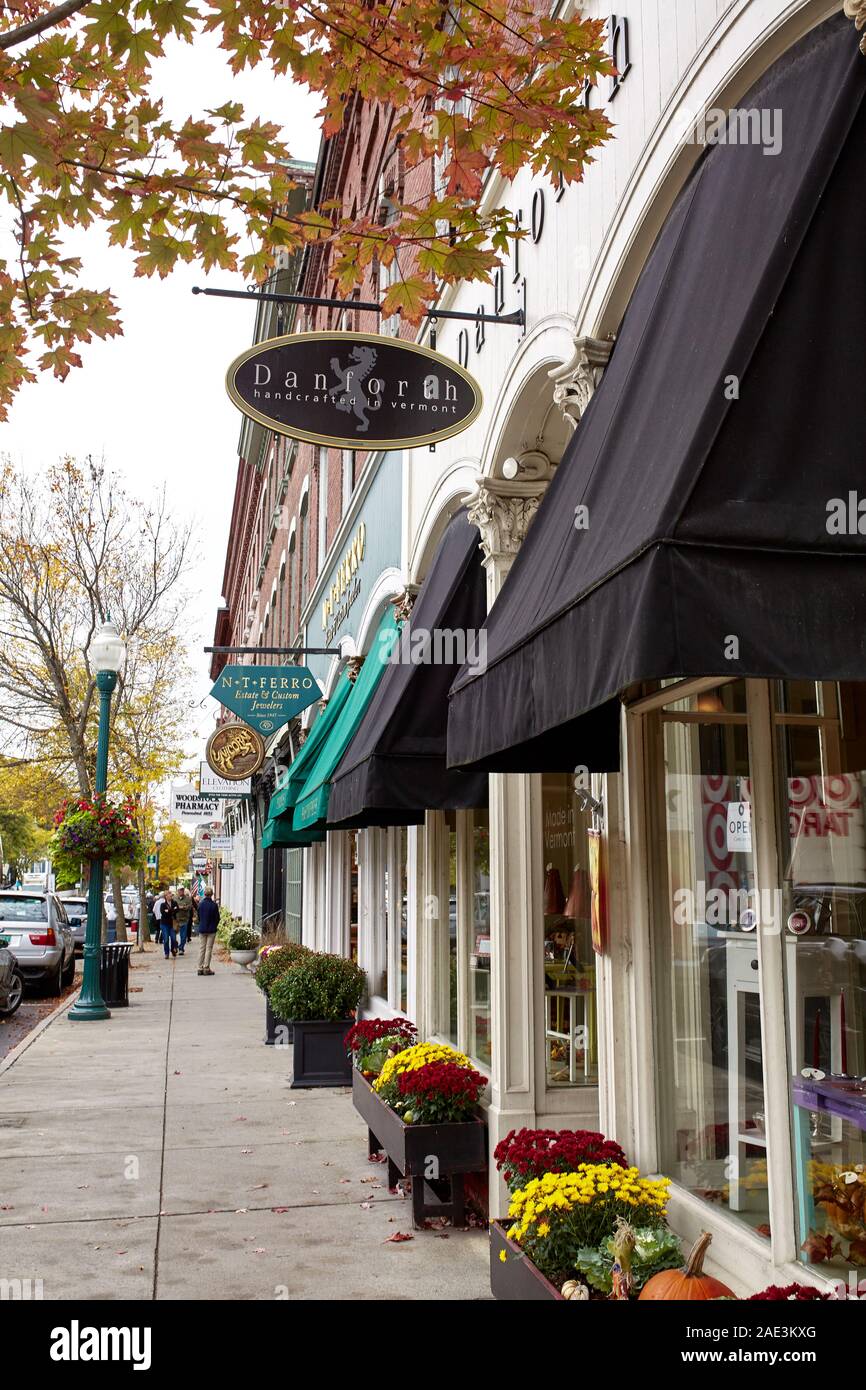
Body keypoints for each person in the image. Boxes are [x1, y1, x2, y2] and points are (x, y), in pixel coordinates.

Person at [196, 887, 219, 976]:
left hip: (202, 928)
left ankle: (199, 967)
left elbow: (198, 916)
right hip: (211, 929)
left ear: (204, 894)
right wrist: (214, 925)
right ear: (212, 894)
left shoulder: (200, 904)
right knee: (209, 949)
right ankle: (206, 967)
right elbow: (217, 918)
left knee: (202, 948)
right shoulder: (214, 905)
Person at [174, 887, 196, 956]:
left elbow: (189, 907)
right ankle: (175, 946)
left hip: (185, 919)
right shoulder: (174, 898)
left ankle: (181, 949)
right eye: (180, 890)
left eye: (182, 890)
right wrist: (180, 907)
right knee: (173, 936)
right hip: (176, 920)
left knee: (183, 936)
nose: (181, 891)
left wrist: (182, 907)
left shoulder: (188, 898)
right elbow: (173, 907)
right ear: (178, 891)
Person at [157, 891, 177, 958]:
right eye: (170, 895)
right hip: (164, 924)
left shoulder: (174, 903)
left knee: (173, 938)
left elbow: (177, 910)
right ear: (166, 896)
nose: (171, 896)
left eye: (171, 895)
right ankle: (166, 953)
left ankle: (173, 950)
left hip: (172, 924)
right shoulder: (163, 904)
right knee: (166, 940)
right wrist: (172, 910)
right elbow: (163, 913)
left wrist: (169, 910)